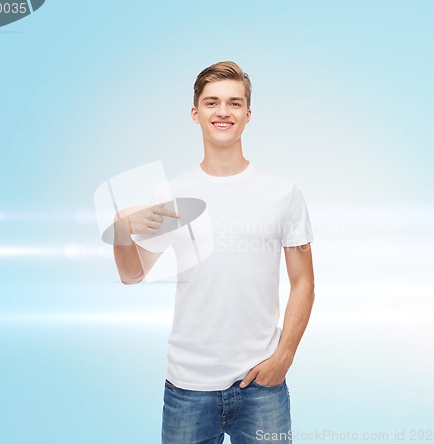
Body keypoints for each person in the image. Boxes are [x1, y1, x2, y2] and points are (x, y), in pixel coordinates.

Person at [113, 61, 315, 444]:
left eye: (234, 103)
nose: (223, 111)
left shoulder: (283, 193)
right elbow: (132, 274)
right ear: (196, 113)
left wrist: (284, 357)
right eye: (212, 102)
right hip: (188, 387)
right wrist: (121, 230)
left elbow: (304, 281)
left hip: (262, 386)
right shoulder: (171, 194)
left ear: (248, 114)